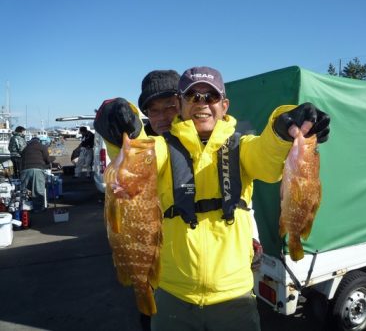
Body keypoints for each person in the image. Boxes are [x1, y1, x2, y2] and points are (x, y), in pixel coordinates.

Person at [95, 66, 330, 331]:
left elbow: (267, 156)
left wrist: (283, 125)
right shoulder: (160, 148)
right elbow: (133, 158)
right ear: (182, 105)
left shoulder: (242, 146)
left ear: (225, 105)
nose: (202, 103)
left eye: (211, 97)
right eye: (193, 97)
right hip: (173, 295)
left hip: (234, 298)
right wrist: (116, 127)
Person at [20, 136, 54, 213]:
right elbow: (47, 160)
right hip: (37, 169)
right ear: (38, 141)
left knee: (24, 190)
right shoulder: (42, 147)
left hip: (25, 170)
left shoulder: (25, 148)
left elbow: (21, 159)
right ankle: (39, 209)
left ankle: (24, 208)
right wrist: (53, 159)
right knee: (38, 190)